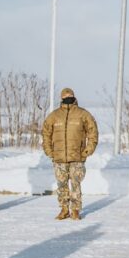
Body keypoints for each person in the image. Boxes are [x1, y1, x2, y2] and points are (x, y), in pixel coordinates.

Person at [42, 87, 98, 221]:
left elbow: (93, 132)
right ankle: (64, 209)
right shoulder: (54, 116)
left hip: (77, 156)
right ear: (61, 98)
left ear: (74, 96)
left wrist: (88, 149)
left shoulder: (83, 114)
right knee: (61, 184)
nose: (68, 97)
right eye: (66, 95)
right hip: (59, 158)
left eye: (71, 95)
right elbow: (46, 134)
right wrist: (49, 151)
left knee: (76, 183)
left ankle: (75, 210)